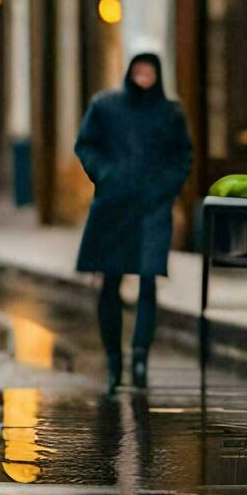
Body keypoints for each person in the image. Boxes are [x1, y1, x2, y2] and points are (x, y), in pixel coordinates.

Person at [75, 52, 192, 394]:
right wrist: (106, 175)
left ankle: (140, 355)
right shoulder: (106, 106)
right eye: (138, 70)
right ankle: (114, 359)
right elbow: (86, 145)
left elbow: (182, 155)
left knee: (148, 279)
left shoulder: (170, 113)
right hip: (113, 205)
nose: (143, 77)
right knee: (109, 281)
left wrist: (166, 188)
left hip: (152, 208)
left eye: (149, 71)